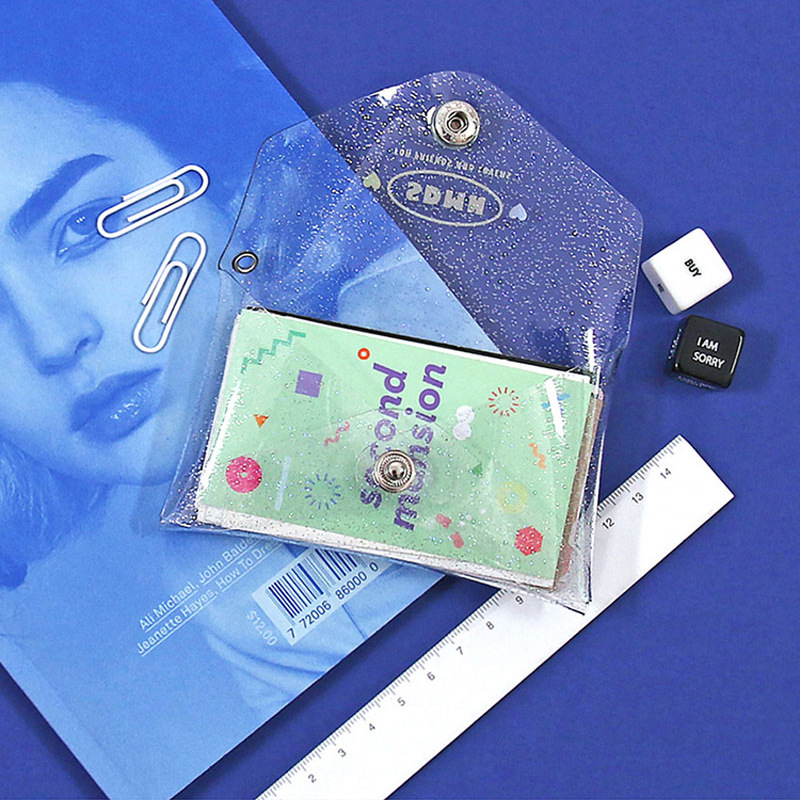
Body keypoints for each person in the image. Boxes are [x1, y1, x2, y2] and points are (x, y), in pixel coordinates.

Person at [0, 81, 492, 723]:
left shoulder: (451, 310)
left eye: (84, 227)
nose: (53, 339)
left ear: (232, 182)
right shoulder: (224, 593)